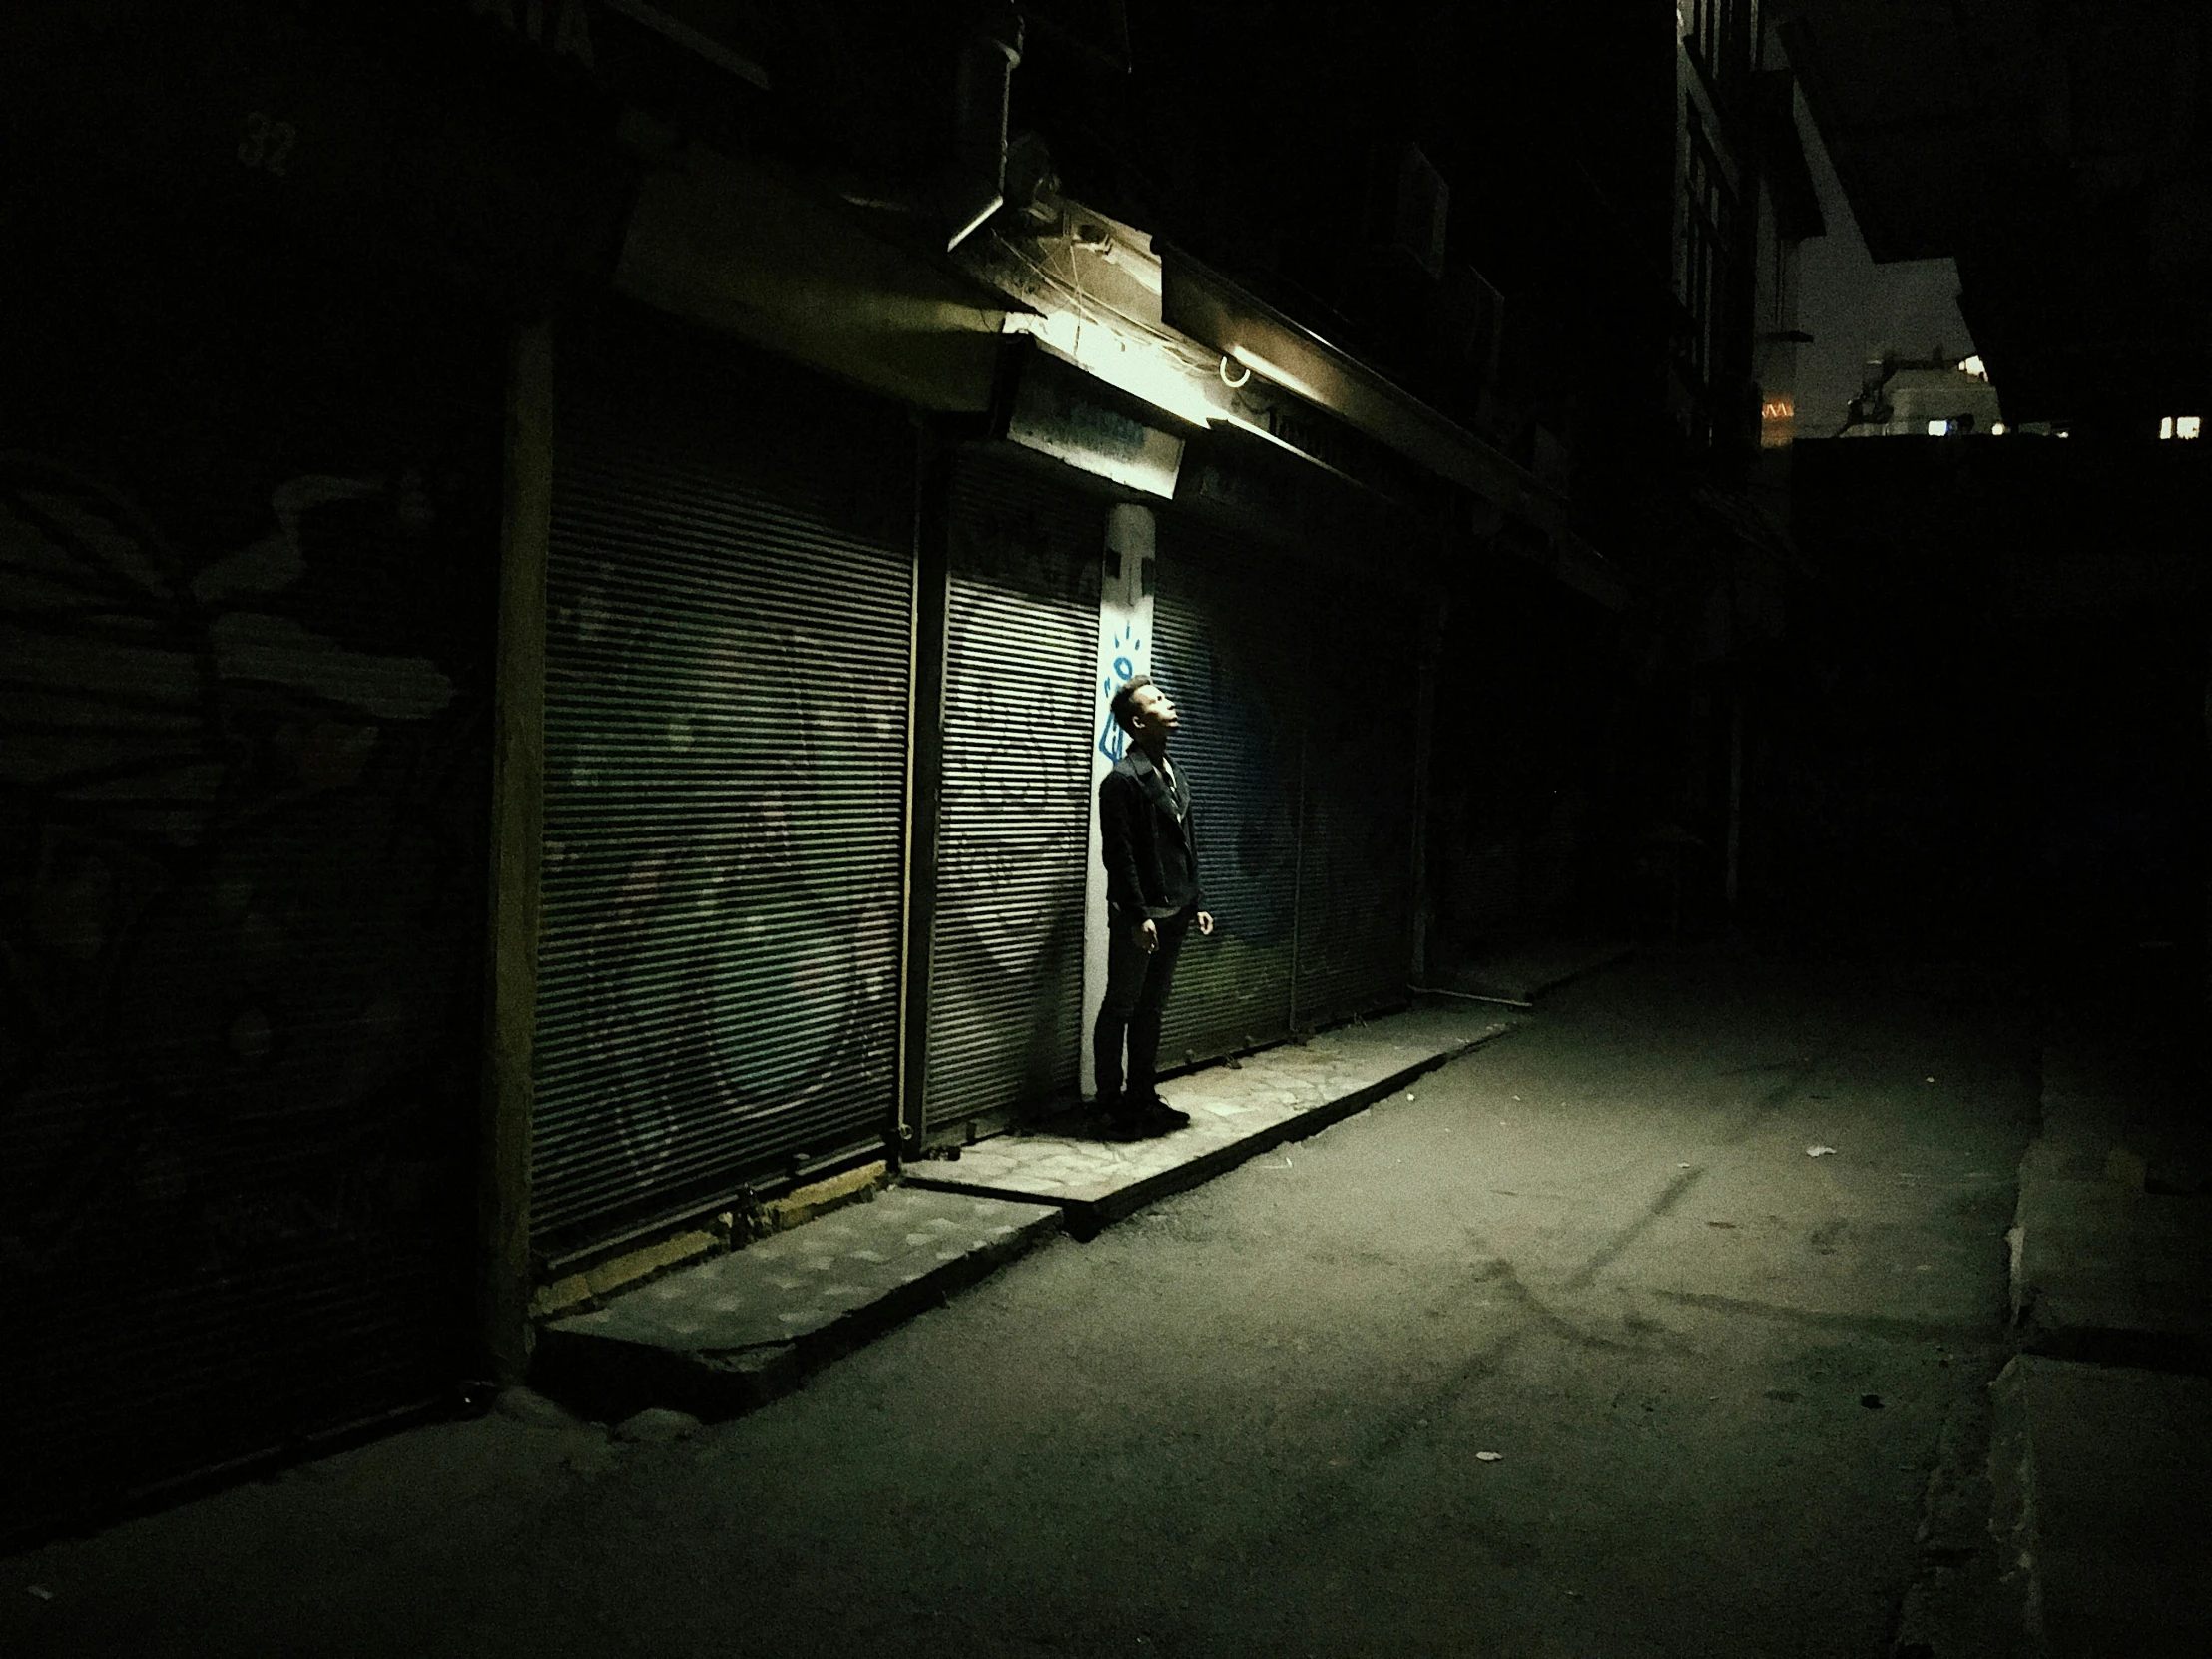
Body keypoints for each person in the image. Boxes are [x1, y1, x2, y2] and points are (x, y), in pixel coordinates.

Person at [1094, 675, 1215, 1135]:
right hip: (1142, 915)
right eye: (1158, 700)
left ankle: (1142, 1096)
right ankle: (1109, 1102)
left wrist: (1195, 900)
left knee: (1152, 1009)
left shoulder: (1173, 773)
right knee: (1121, 1006)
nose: (1170, 703)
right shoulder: (1122, 781)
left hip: (1176, 910)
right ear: (1139, 722)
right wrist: (1138, 915)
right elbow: (1118, 856)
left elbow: (1186, 844)